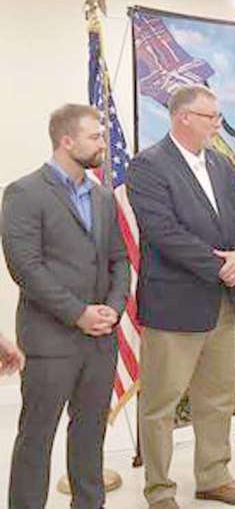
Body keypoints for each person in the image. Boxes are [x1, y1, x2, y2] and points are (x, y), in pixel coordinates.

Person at [127, 84, 235, 508]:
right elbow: (163, 232)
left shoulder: (220, 164)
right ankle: (159, 489)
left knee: (217, 397)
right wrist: (219, 265)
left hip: (222, 302)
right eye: (211, 117)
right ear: (183, 117)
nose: (218, 124)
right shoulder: (148, 166)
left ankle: (214, 476)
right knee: (160, 404)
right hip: (174, 306)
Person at [1, 104, 130, 509]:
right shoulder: (24, 193)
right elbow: (26, 267)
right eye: (95, 136)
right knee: (36, 438)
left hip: (101, 340)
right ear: (67, 141)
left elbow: (119, 260)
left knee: (90, 435)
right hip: (50, 340)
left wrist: (113, 309)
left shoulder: (103, 197)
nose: (103, 143)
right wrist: (78, 314)